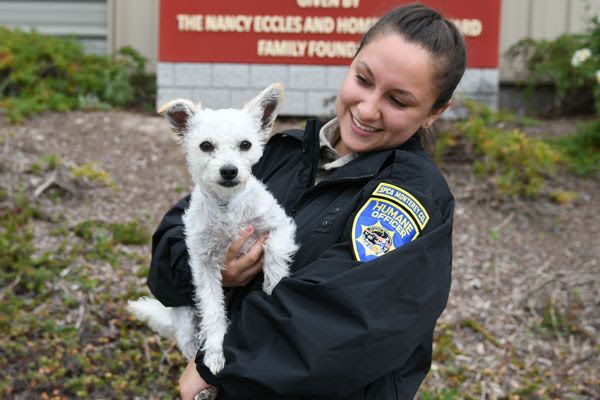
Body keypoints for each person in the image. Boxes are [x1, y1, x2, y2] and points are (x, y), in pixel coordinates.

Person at [147, 3, 466, 399]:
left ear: (435, 112)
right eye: (363, 80)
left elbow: (349, 316)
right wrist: (208, 269)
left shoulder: (411, 197)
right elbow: (177, 233)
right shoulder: (281, 153)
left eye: (398, 101)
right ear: (350, 64)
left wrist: (221, 363)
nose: (367, 109)